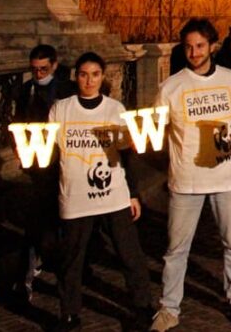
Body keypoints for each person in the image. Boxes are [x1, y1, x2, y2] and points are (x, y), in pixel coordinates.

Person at [150, 18, 231, 331]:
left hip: (226, 175)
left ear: (212, 46)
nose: (194, 52)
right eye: (189, 47)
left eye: (200, 46)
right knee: (176, 249)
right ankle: (169, 308)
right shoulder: (171, 86)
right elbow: (156, 128)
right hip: (186, 179)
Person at [49, 53, 151, 332]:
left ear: (102, 76)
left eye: (95, 74)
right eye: (83, 74)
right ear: (76, 77)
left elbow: (128, 155)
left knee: (130, 254)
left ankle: (142, 307)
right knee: (72, 260)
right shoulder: (61, 109)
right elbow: (50, 152)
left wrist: (133, 193)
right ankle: (69, 313)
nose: (89, 80)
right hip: (75, 195)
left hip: (113, 193)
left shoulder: (114, 109)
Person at [13, 44, 76, 301]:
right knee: (37, 222)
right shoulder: (25, 90)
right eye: (35, 69)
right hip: (39, 164)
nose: (39, 74)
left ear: (54, 66)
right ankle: (28, 275)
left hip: (64, 163)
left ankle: (63, 273)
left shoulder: (67, 90)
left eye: (44, 69)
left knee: (62, 224)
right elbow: (19, 121)